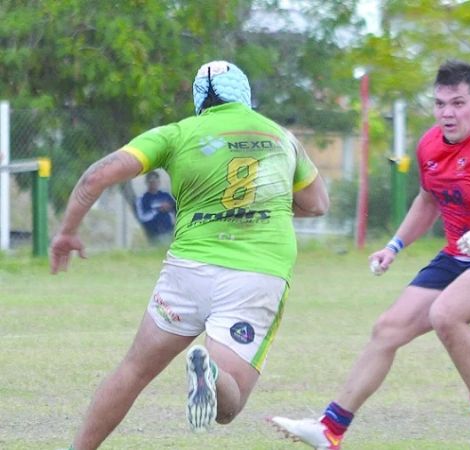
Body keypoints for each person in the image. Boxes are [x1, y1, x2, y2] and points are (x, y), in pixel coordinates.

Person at [270, 60, 470, 450]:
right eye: (440, 104)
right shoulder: (429, 145)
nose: (447, 113)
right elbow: (427, 201)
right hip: (458, 256)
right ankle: (330, 428)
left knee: (446, 313)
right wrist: (394, 246)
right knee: (387, 329)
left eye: (457, 103)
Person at [49, 60, 329, 450]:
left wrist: (67, 232)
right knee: (228, 406)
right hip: (255, 277)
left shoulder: (177, 133)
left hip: (186, 273)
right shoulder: (281, 138)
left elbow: (96, 176)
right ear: (245, 95)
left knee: (133, 370)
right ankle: (210, 373)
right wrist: (264, 208)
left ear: (199, 101)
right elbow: (317, 204)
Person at [136, 171, 176, 244]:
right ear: (147, 182)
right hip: (154, 234)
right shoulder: (143, 199)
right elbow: (143, 217)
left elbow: (176, 210)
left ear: (159, 182)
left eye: (155, 181)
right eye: (151, 181)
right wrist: (158, 209)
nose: (153, 183)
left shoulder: (165, 195)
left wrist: (169, 208)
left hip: (169, 231)